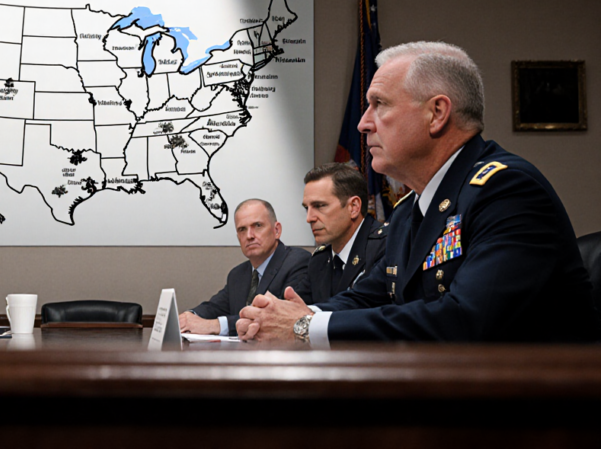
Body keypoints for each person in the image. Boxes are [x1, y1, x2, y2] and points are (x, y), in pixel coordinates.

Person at [237, 41, 599, 346]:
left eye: (380, 104)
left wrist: (304, 327)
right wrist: (293, 316)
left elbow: (465, 319)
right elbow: (371, 295)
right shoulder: (411, 208)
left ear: (437, 113)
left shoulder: (506, 191)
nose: (363, 123)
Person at [179, 199, 309, 336]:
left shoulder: (297, 262)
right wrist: (188, 317)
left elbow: (277, 318)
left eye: (257, 226)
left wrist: (215, 325)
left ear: (276, 230)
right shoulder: (238, 274)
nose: (249, 236)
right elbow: (215, 307)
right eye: (242, 229)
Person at [293, 163, 387, 304]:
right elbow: (297, 305)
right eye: (307, 208)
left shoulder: (386, 247)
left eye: (320, 206)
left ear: (353, 207)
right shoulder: (320, 259)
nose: (309, 218)